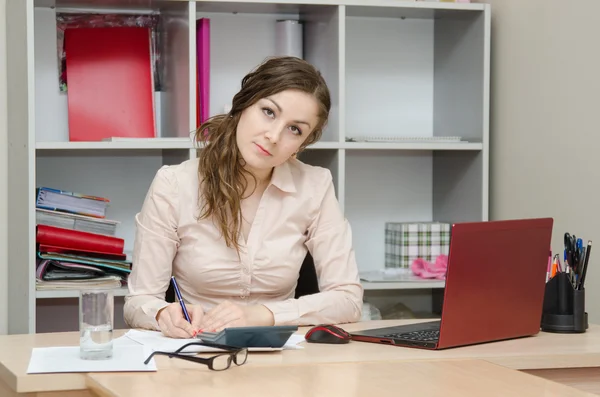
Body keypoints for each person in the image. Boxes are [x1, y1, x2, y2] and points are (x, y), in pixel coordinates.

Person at [123, 56, 363, 339]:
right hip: (195, 349)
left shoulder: (316, 185)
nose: (273, 136)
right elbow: (138, 303)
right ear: (243, 105)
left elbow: (348, 299)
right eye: (269, 112)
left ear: (302, 144)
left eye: (295, 129)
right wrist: (163, 314)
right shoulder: (174, 184)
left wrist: (264, 314)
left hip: (281, 357)